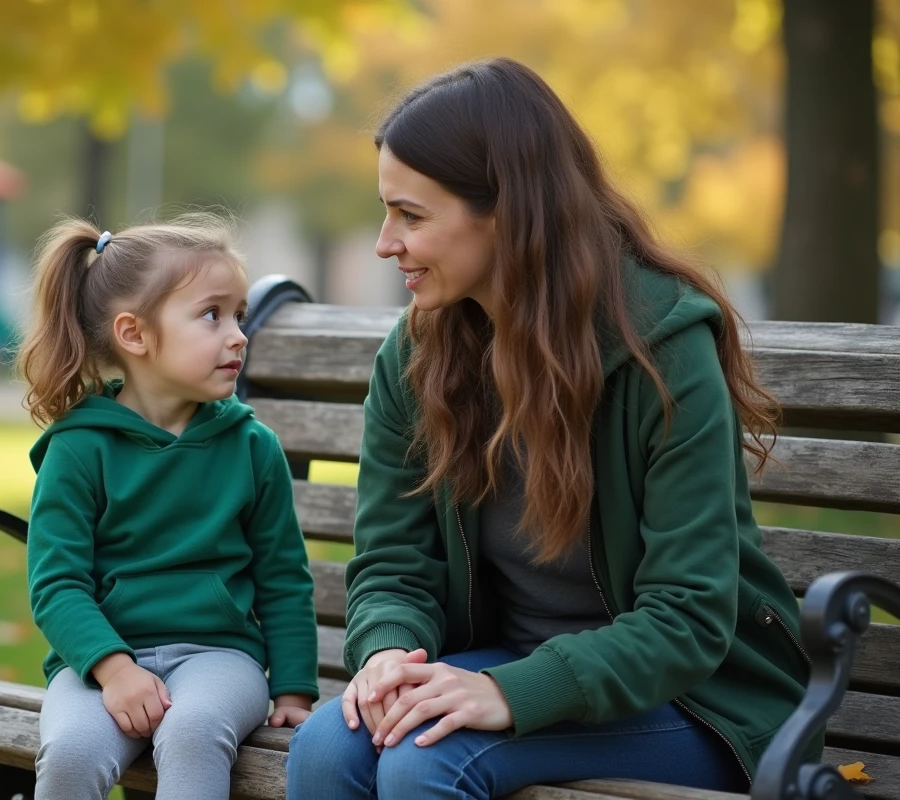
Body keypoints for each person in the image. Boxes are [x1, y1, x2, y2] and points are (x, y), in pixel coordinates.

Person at [286, 58, 817, 799]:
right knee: (326, 748)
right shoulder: (420, 352)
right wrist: (388, 654)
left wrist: (510, 694)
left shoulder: (659, 349)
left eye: (411, 215)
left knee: (426, 763)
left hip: (697, 706)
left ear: (504, 209)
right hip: (508, 666)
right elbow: (394, 565)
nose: (385, 242)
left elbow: (689, 618)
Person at [16, 213, 318, 800]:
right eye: (212, 315)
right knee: (72, 753)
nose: (238, 335)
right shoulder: (79, 449)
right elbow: (57, 585)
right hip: (100, 663)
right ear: (134, 335)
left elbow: (283, 577)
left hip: (219, 658)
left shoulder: (252, 446)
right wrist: (113, 668)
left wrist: (294, 692)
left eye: (239, 315)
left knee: (193, 730)